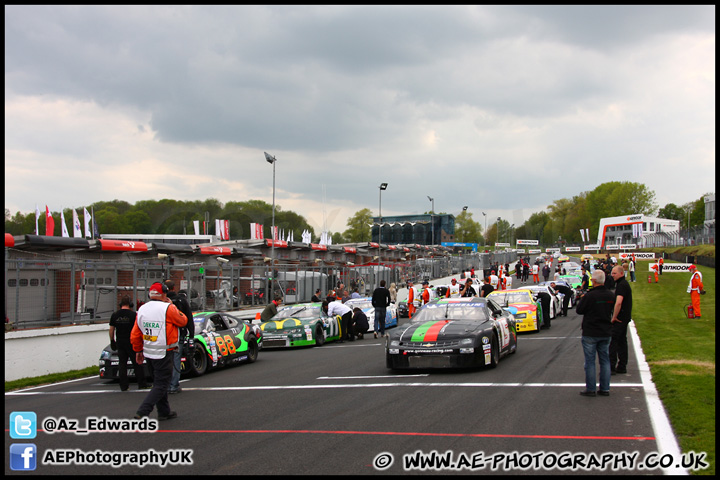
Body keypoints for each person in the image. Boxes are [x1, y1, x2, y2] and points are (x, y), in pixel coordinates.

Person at [131, 282, 187, 420]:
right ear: (163, 294)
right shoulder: (168, 308)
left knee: (158, 383)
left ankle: (164, 411)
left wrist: (138, 350)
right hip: (164, 352)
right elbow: (183, 321)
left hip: (149, 352)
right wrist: (172, 305)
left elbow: (135, 333)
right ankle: (143, 411)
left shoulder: (142, 309)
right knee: (162, 385)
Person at [576, 269, 615, 397]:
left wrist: (582, 299)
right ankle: (605, 388)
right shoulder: (610, 295)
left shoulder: (590, 296)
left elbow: (579, 310)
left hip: (591, 331)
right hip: (605, 331)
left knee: (590, 361)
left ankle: (591, 389)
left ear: (593, 281)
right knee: (605, 360)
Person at [109, 296, 150, 391]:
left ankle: (123, 385)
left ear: (120, 304)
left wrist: (112, 341)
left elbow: (111, 330)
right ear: (130, 304)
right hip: (132, 341)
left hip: (120, 341)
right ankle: (142, 383)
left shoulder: (115, 315)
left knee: (122, 364)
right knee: (137, 362)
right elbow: (138, 329)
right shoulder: (133, 315)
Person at [164, 280, 194, 395]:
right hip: (178, 334)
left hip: (163, 336)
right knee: (176, 359)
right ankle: (173, 385)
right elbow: (189, 319)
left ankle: (164, 385)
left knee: (163, 360)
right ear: (173, 288)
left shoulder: (161, 303)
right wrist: (191, 334)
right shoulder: (181, 300)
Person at [609, 265, 633, 375]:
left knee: (613, 341)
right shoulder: (622, 284)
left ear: (621, 273)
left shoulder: (621, 285)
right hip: (625, 317)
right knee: (622, 341)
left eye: (614, 273)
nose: (612, 275)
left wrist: (614, 317)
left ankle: (611, 366)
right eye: (612, 273)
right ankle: (622, 365)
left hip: (620, 318)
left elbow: (619, 302)